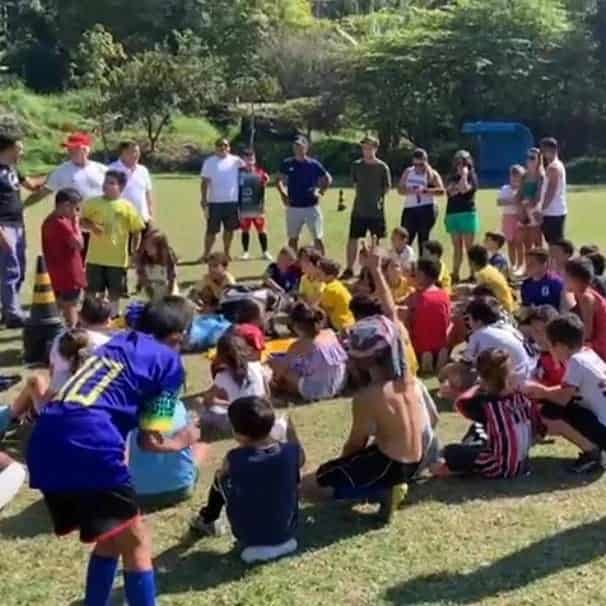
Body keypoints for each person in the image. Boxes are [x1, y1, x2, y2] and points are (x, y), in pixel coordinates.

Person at [26, 296, 196, 606]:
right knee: (137, 542)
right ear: (179, 336)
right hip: (92, 441)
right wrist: (184, 439)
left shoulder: (116, 342)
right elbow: (150, 440)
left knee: (112, 536)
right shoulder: (169, 364)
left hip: (46, 438)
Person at [307, 314, 431, 522]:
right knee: (363, 464)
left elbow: (355, 444)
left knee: (309, 486)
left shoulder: (368, 396)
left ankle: (380, 492)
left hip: (388, 465)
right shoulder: (410, 382)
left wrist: (338, 468)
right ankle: (388, 487)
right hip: (414, 462)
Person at [191, 396, 301, 563]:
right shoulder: (290, 451)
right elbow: (301, 458)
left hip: (250, 544)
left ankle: (208, 519)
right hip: (288, 537)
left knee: (220, 478)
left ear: (237, 433)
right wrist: (290, 430)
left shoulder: (234, 458)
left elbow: (225, 475)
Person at [434, 349, 536, 479]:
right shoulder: (521, 398)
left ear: (483, 377)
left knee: (451, 451)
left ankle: (451, 469)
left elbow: (460, 405)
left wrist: (455, 392)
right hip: (522, 465)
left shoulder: (485, 404)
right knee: (478, 430)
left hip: (500, 467)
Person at [524, 314, 606, 473]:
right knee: (555, 407)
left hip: (603, 428)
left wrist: (541, 392)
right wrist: (545, 392)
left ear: (561, 346)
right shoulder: (588, 353)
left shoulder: (576, 361)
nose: (550, 350)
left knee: (549, 413)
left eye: (551, 345)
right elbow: (568, 391)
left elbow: (562, 398)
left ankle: (593, 453)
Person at [81, 170, 145, 317]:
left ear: (121, 187)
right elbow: (81, 220)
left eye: (111, 183)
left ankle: (113, 315)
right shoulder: (92, 203)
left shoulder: (127, 207)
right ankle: (90, 316)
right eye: (105, 182)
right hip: (95, 258)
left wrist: (134, 252)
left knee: (115, 292)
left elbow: (137, 231)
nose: (106, 185)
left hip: (117, 259)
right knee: (92, 290)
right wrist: (92, 226)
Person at [129, 401, 209, 509]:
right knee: (202, 444)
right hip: (181, 489)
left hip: (137, 495)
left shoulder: (121, 410)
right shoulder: (177, 405)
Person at [270, 302, 347, 402]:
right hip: (339, 384)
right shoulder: (330, 333)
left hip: (319, 390)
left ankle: (276, 390)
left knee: (278, 367)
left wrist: (274, 368)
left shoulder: (299, 346)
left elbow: (282, 370)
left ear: (296, 326)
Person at [0, 133, 38, 327]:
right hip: (4, 226)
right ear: (8, 149)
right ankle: (13, 315)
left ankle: (9, 309)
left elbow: (32, 186)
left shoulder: (14, 169)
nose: (22, 152)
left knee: (20, 269)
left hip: (18, 225)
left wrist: (57, 175)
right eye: (19, 149)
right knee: (10, 270)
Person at [342, 136, 391, 279]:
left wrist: (377, 198)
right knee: (353, 238)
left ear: (375, 149)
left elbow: (387, 187)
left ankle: (375, 269)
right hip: (359, 209)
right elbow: (355, 184)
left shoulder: (382, 167)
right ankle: (350, 268)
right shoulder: (356, 165)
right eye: (364, 148)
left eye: (369, 148)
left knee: (376, 240)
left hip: (376, 211)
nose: (366, 151)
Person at [200, 332, 269, 433]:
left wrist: (226, 403)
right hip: (261, 417)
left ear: (220, 356)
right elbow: (266, 394)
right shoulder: (257, 366)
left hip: (240, 423)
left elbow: (208, 400)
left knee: (205, 411)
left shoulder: (223, 376)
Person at [277, 136, 332, 255]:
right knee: (293, 239)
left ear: (306, 148)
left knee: (317, 238)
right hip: (293, 207)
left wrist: (321, 192)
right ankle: (294, 263)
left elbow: (328, 178)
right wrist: (283, 194)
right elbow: (279, 180)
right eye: (295, 146)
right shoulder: (287, 163)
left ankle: (322, 263)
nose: (297, 149)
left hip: (311, 206)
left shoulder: (313, 164)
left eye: (300, 146)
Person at [463, 296, 533, 387]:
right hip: (529, 373)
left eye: (469, 319)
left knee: (457, 372)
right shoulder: (506, 327)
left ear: (479, 321)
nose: (468, 323)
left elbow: (466, 362)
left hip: (514, 382)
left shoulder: (479, 334)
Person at [41, 188, 85, 327]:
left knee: (58, 306)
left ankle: (55, 332)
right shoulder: (62, 223)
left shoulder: (48, 220)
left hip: (55, 272)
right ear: (66, 205)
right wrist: (76, 224)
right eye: (75, 208)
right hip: (69, 274)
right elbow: (79, 244)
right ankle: (73, 333)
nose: (77, 212)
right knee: (71, 305)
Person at [25, 132, 107, 205]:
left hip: (102, 215)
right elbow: (43, 193)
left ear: (85, 150)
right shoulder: (60, 171)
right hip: (75, 216)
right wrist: (21, 207)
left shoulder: (103, 170)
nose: (70, 151)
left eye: (74, 148)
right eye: (69, 148)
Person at [404, 258, 451, 375]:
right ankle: (439, 352)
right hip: (440, 341)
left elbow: (409, 320)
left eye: (416, 273)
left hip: (419, 343)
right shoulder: (444, 295)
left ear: (422, 275)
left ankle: (423, 353)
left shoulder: (416, 297)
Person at [200, 138, 243, 262]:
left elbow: (249, 169)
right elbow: (204, 182)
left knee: (229, 230)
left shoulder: (236, 161)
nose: (222, 148)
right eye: (219, 145)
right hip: (214, 202)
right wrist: (203, 199)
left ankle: (226, 253)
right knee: (211, 231)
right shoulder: (209, 162)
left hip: (232, 202)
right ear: (215, 147)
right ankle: (206, 254)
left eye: (225, 145)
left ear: (229, 147)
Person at [398, 148, 445, 255]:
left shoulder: (432, 174)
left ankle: (423, 262)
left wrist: (426, 191)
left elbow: (441, 191)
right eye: (416, 164)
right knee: (406, 238)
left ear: (426, 161)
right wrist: (410, 190)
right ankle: (405, 261)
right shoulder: (408, 172)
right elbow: (400, 189)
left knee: (423, 239)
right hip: (410, 208)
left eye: (421, 164)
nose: (418, 167)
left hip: (426, 208)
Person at [445, 150, 479, 283]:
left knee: (469, 247)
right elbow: (450, 192)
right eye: (458, 163)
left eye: (463, 163)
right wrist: (458, 186)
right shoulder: (451, 177)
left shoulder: (472, 177)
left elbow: (464, 189)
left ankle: (473, 273)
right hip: (452, 214)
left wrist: (464, 175)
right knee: (457, 247)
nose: (460, 166)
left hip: (468, 213)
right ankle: (455, 273)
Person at [564, 257, 606, 361]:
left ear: (576, 279)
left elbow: (588, 332)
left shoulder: (585, 297)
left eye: (566, 276)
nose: (564, 279)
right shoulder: (581, 293)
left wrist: (577, 351)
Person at [108, 140, 154, 231]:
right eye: (131, 152)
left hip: (142, 220)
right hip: (121, 221)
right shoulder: (111, 169)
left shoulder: (143, 170)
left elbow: (147, 194)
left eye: (137, 152)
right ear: (121, 154)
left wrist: (150, 214)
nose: (135, 155)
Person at [238, 149, 271, 261]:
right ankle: (245, 252)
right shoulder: (239, 173)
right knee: (245, 230)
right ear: (243, 159)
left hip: (257, 206)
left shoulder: (260, 172)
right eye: (247, 158)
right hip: (244, 206)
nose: (249, 160)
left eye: (251, 158)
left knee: (261, 230)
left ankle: (265, 252)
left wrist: (263, 205)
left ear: (255, 159)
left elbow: (263, 188)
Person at [468, 245, 516, 313]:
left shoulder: (481, 274)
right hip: (508, 306)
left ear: (472, 262)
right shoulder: (489, 268)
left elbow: (478, 297)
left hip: (502, 311)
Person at [539, 137, 568, 248]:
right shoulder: (557, 165)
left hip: (553, 212)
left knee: (556, 245)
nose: (543, 154)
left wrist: (542, 209)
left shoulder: (553, 167)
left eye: (543, 150)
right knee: (556, 243)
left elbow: (551, 191)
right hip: (556, 211)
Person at [134, 229, 178, 300]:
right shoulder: (142, 257)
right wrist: (150, 294)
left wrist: (170, 294)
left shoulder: (168, 256)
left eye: (151, 246)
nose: (147, 248)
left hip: (165, 286)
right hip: (148, 289)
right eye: (146, 245)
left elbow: (172, 277)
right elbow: (142, 277)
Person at [497, 164, 525, 274]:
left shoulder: (523, 190)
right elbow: (500, 202)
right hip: (507, 218)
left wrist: (513, 200)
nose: (514, 179)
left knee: (519, 243)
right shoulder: (505, 188)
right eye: (513, 176)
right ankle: (513, 265)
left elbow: (523, 202)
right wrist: (513, 200)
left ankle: (520, 266)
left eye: (517, 176)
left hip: (519, 217)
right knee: (510, 242)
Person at [517, 148, 545, 255]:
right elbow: (519, 193)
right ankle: (528, 262)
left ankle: (541, 262)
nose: (529, 160)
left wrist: (528, 204)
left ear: (538, 160)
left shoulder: (540, 176)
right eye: (528, 157)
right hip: (524, 209)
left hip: (535, 209)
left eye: (533, 158)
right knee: (526, 241)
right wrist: (520, 207)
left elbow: (539, 195)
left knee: (537, 239)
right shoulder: (524, 175)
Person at [317, 258, 355, 331]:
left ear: (330, 276)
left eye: (320, 273)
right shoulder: (336, 284)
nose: (317, 275)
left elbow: (325, 312)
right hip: (350, 323)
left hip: (342, 326)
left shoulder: (330, 289)